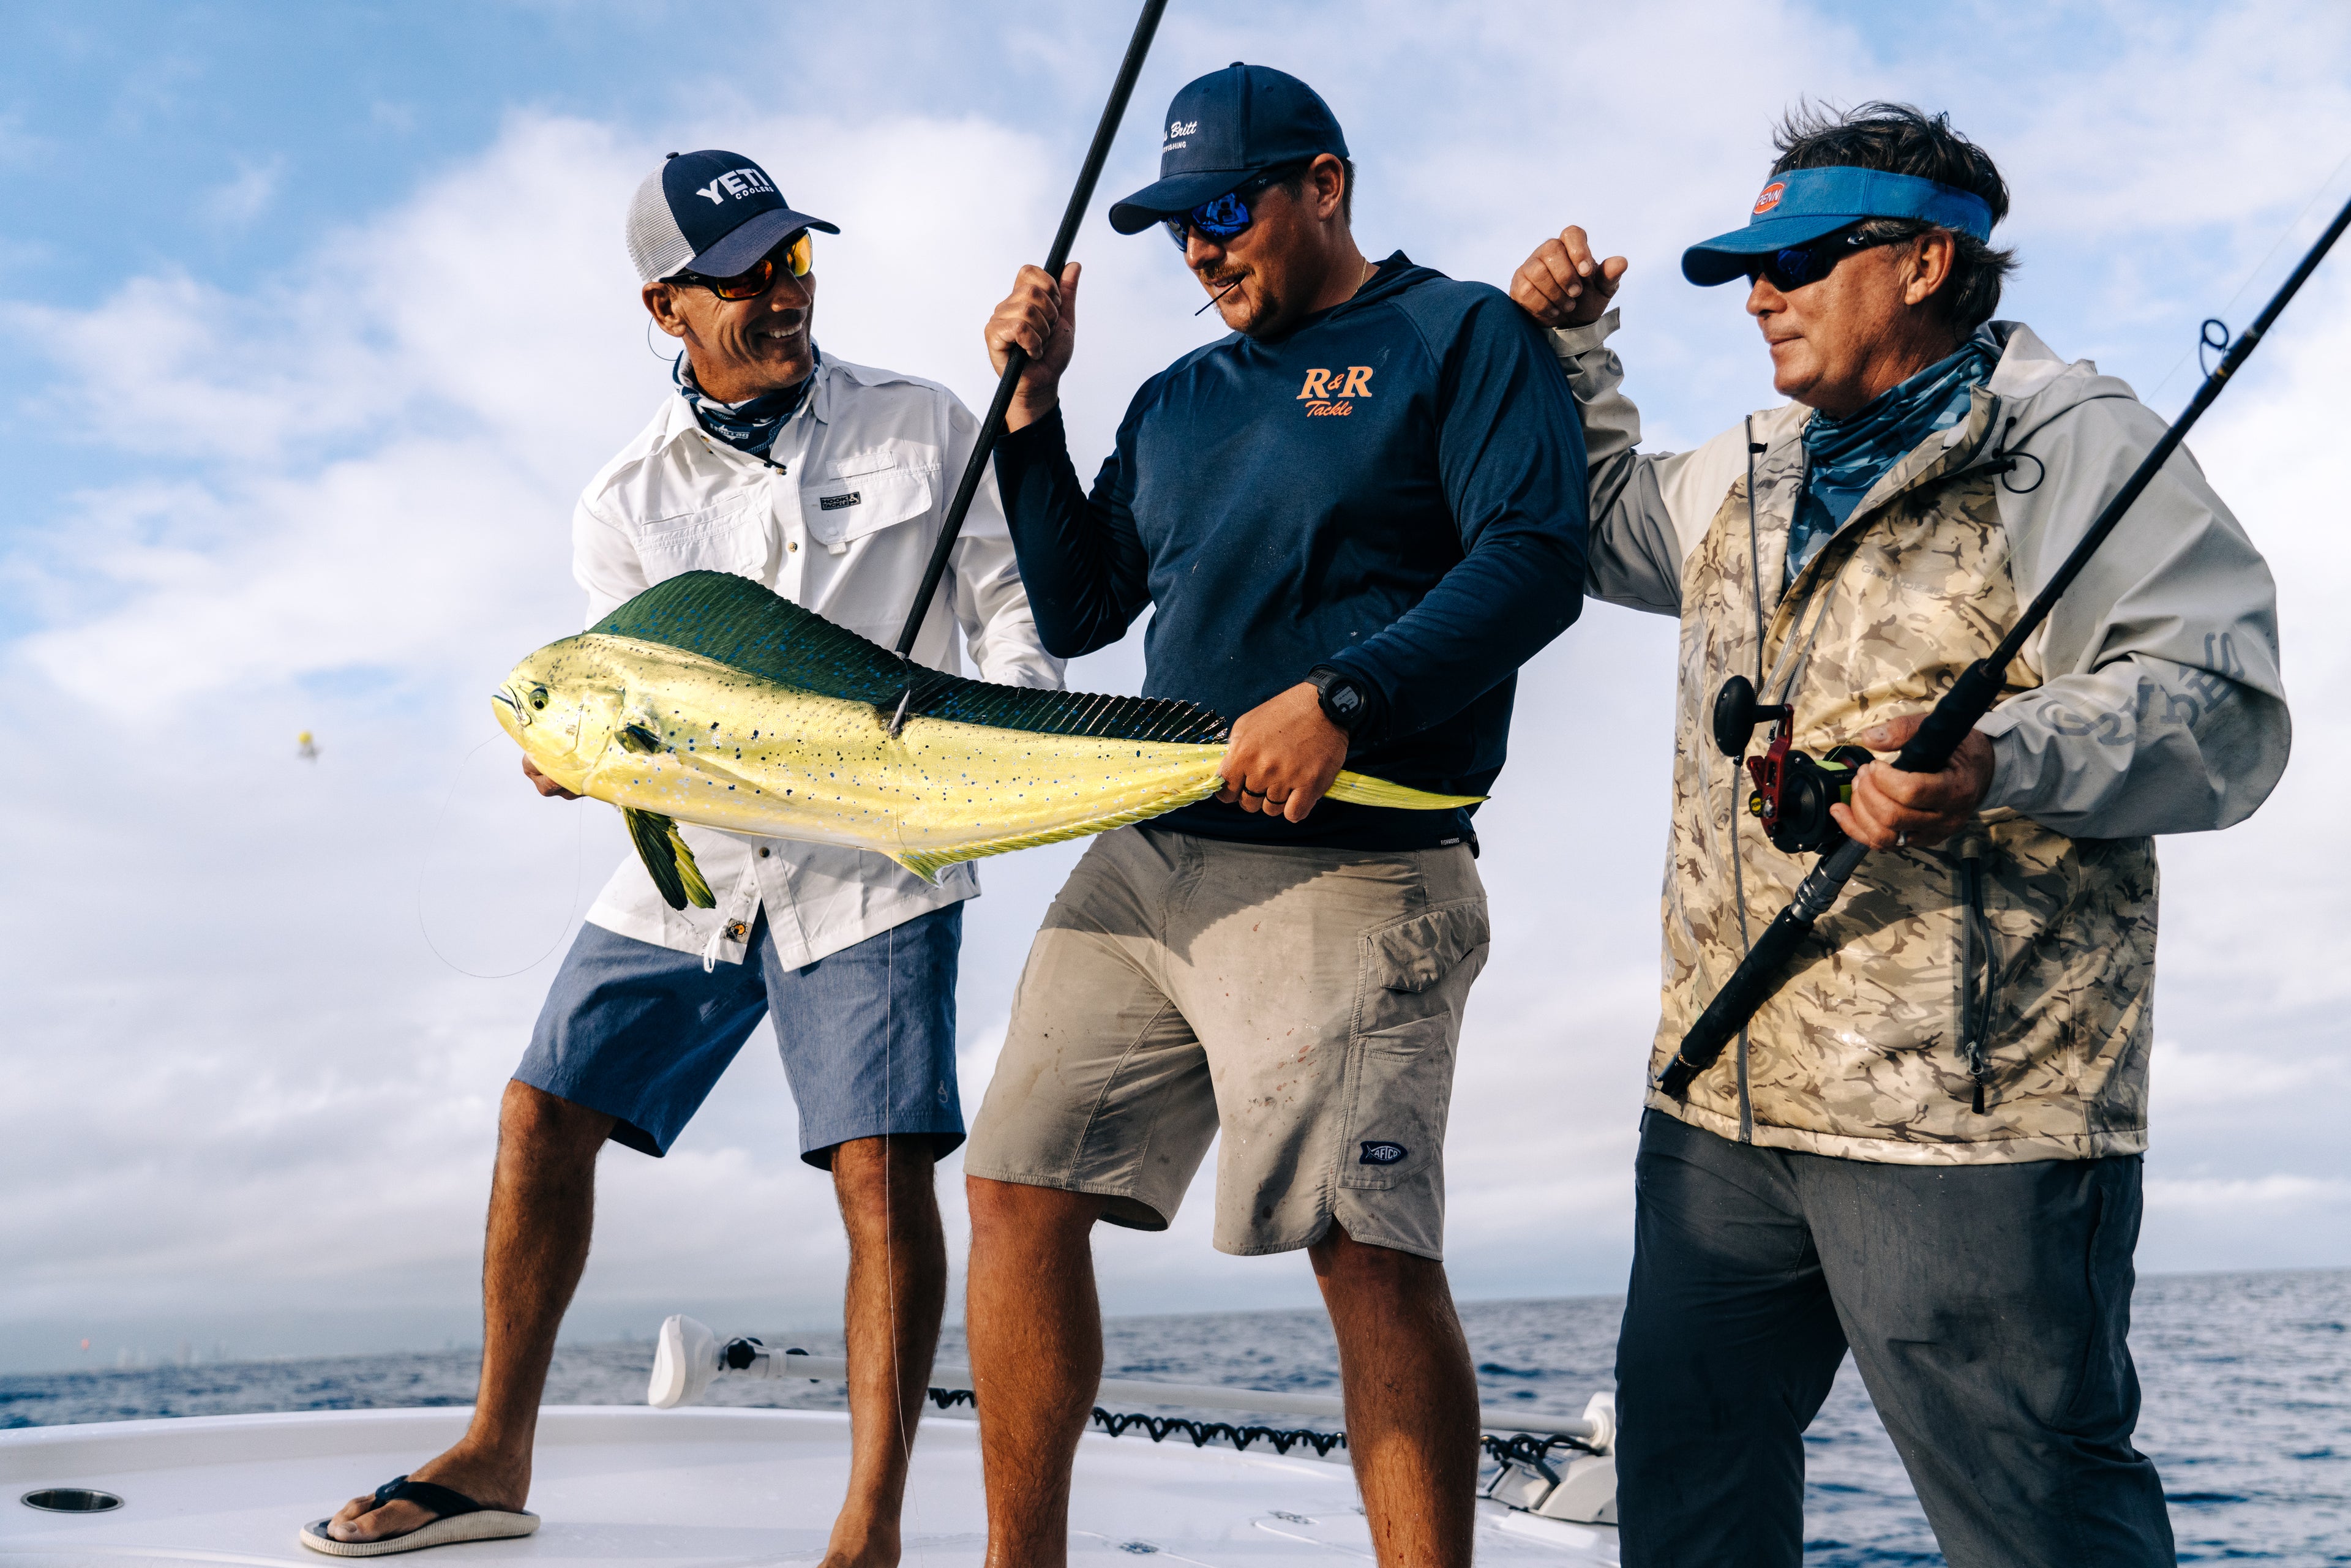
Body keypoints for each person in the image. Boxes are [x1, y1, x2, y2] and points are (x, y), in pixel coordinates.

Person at [1510, 103, 2290, 1567]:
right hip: (1721, 1105)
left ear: (1928, 261)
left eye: (1801, 260)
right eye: (1750, 267)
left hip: (1966, 1123)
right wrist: (1571, 354)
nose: (1761, 294)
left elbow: (2220, 706)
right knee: (1686, 1498)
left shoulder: (2075, 445)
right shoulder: (1749, 466)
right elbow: (1601, 517)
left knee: (2035, 1521)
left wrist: (2000, 758)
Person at [303, 150, 1062, 1565]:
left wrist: (1004, 743)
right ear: (666, 307)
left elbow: (1012, 611)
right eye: (743, 278)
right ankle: (494, 1452)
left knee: (879, 1171)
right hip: (692, 863)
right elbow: (630, 708)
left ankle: (871, 1526)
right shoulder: (620, 501)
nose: (783, 294)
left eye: (795, 262)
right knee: (539, 1115)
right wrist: (586, 761)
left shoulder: (925, 420)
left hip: (877, 860)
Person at [961, 63, 1589, 1568]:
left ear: (1326, 185)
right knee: (1014, 1189)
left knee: (1363, 1255)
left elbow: (1535, 562)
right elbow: (1085, 605)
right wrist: (1033, 415)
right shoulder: (1178, 398)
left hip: (1358, 869)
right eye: (1178, 225)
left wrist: (1345, 699)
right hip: (1149, 857)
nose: (1201, 247)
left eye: (1226, 210)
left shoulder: (1462, 336)